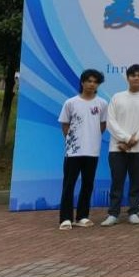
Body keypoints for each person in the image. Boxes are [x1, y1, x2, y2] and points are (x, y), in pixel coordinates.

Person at [101, 64, 139, 227]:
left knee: (136, 182)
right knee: (116, 182)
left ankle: (133, 212)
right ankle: (113, 213)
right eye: (133, 75)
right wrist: (126, 139)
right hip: (117, 148)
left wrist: (134, 139)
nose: (136, 78)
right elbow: (111, 122)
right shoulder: (117, 97)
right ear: (127, 77)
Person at [58, 69, 107, 230]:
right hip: (74, 151)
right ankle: (65, 218)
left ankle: (82, 216)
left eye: (95, 82)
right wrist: (73, 141)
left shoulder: (102, 103)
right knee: (69, 184)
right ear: (82, 82)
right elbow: (65, 124)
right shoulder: (71, 103)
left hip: (92, 151)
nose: (92, 84)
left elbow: (102, 125)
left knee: (88, 184)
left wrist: (91, 138)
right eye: (89, 81)